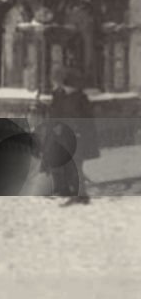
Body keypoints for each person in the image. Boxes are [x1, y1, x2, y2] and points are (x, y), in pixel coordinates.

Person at [40, 68, 98, 205]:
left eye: (67, 86)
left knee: (76, 165)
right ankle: (72, 191)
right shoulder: (64, 96)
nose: (65, 88)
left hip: (78, 136)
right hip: (65, 136)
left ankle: (81, 195)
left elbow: (86, 119)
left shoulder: (81, 99)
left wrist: (79, 131)